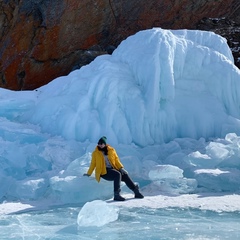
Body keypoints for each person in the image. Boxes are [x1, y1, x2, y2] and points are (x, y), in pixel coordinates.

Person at [84, 136, 144, 201]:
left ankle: (136, 191)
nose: (100, 145)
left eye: (101, 143)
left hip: (112, 169)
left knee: (124, 174)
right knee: (117, 174)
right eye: (99, 143)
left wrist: (121, 168)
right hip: (103, 172)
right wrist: (88, 173)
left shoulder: (111, 150)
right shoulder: (95, 153)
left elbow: (116, 160)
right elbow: (93, 164)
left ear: (105, 144)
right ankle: (116, 195)